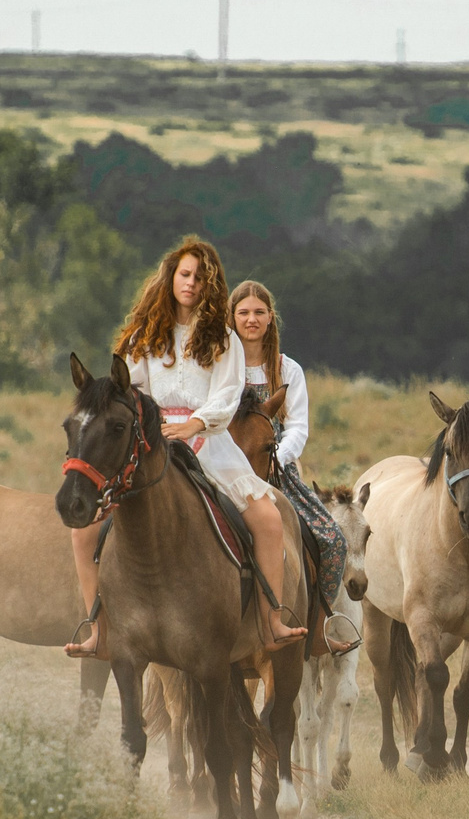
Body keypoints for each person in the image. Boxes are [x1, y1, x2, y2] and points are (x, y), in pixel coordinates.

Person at [63, 237, 304, 658]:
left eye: (199, 277)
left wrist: (194, 424)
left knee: (267, 518)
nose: (190, 283)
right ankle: (97, 629)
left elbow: (228, 395)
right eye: (184, 274)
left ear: (209, 285)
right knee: (84, 532)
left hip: (209, 443)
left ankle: (272, 621)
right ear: (171, 278)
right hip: (152, 444)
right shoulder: (142, 337)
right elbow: (129, 393)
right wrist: (155, 428)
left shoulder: (222, 338)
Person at [230, 279, 355, 654]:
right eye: (243, 313)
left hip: (276, 470)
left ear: (271, 319)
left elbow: (298, 426)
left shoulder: (289, 370)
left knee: (332, 542)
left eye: (259, 312)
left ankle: (317, 628)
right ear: (232, 319)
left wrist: (276, 457)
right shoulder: (220, 366)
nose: (251, 319)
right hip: (225, 466)